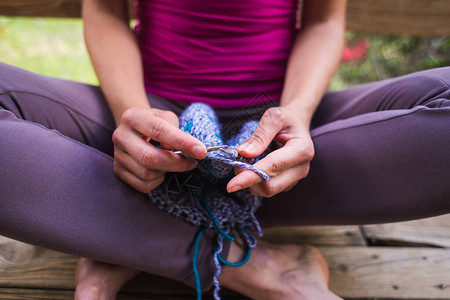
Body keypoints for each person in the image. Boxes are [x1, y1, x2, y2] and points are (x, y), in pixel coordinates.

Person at [0, 0, 449, 298]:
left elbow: (324, 20)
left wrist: (297, 113)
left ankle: (125, 232)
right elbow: (104, 9)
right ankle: (246, 263)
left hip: (278, 136)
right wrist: (136, 117)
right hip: (151, 121)